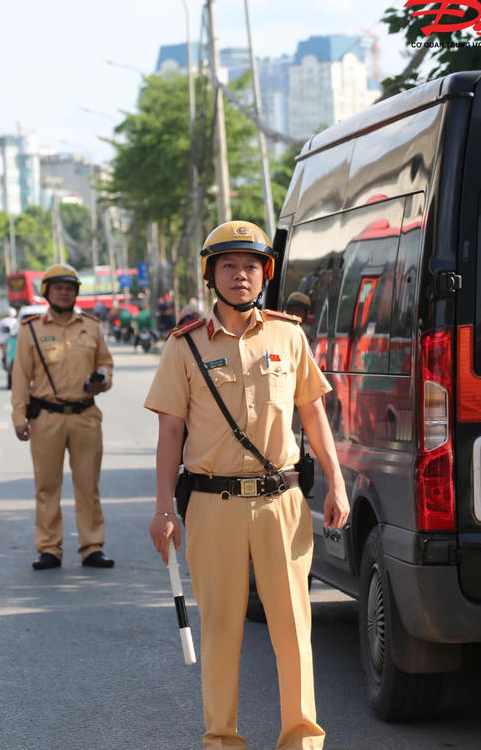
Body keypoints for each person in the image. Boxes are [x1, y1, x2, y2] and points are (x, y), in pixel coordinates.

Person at [144, 220, 350, 750]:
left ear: (266, 275)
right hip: (213, 506)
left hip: (282, 501)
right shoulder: (185, 347)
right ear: (212, 275)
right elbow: (170, 432)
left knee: (293, 631)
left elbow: (314, 412)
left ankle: (301, 740)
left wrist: (336, 482)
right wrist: (164, 507)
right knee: (221, 632)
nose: (242, 276)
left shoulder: (289, 334)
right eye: (230, 266)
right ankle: (222, 740)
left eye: (252, 267)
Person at [11, 263, 116, 570]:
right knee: (46, 486)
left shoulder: (92, 326)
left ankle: (92, 546)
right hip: (46, 418)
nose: (64, 293)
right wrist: (19, 417)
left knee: (88, 486)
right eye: (58, 288)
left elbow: (106, 365)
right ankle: (49, 548)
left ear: (76, 293)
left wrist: (103, 378)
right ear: (47, 292)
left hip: (85, 416)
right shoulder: (31, 329)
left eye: (69, 288)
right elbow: (20, 378)